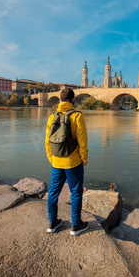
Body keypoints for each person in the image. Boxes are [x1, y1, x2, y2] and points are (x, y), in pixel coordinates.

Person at [45, 88, 89, 236]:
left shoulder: (52, 117)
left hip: (56, 161)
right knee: (76, 192)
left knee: (53, 192)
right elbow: (83, 141)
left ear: (60, 100)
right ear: (73, 100)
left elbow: (47, 141)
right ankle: (76, 225)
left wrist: (51, 158)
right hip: (73, 161)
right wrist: (84, 158)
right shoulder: (77, 116)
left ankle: (53, 223)